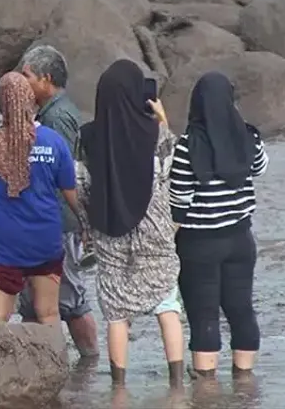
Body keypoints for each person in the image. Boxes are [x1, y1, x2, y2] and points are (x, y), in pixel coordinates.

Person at [78, 60, 183, 385]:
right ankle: (177, 383)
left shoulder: (88, 136)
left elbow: (81, 184)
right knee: (167, 304)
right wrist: (163, 120)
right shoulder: (154, 132)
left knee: (116, 313)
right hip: (155, 230)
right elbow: (171, 171)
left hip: (109, 228)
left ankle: (119, 387)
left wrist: (87, 223)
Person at [169, 72, 269, 379]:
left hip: (199, 244)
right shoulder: (248, 136)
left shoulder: (188, 145)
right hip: (240, 239)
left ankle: (207, 390)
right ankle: (245, 385)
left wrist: (167, 241)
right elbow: (260, 168)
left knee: (204, 317)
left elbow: (179, 199)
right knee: (241, 310)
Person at [0, 72, 84, 324]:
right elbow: (71, 193)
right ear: (30, 101)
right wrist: (87, 225)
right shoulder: (53, 142)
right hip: (45, 241)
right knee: (49, 313)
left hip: (3, 245)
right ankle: (54, 352)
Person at [16, 46, 98, 357]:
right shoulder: (52, 112)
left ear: (46, 79)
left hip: (58, 222)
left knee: (70, 300)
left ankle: (88, 361)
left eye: (27, 76)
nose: (22, 82)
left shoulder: (56, 117)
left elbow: (63, 174)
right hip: (50, 220)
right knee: (36, 300)